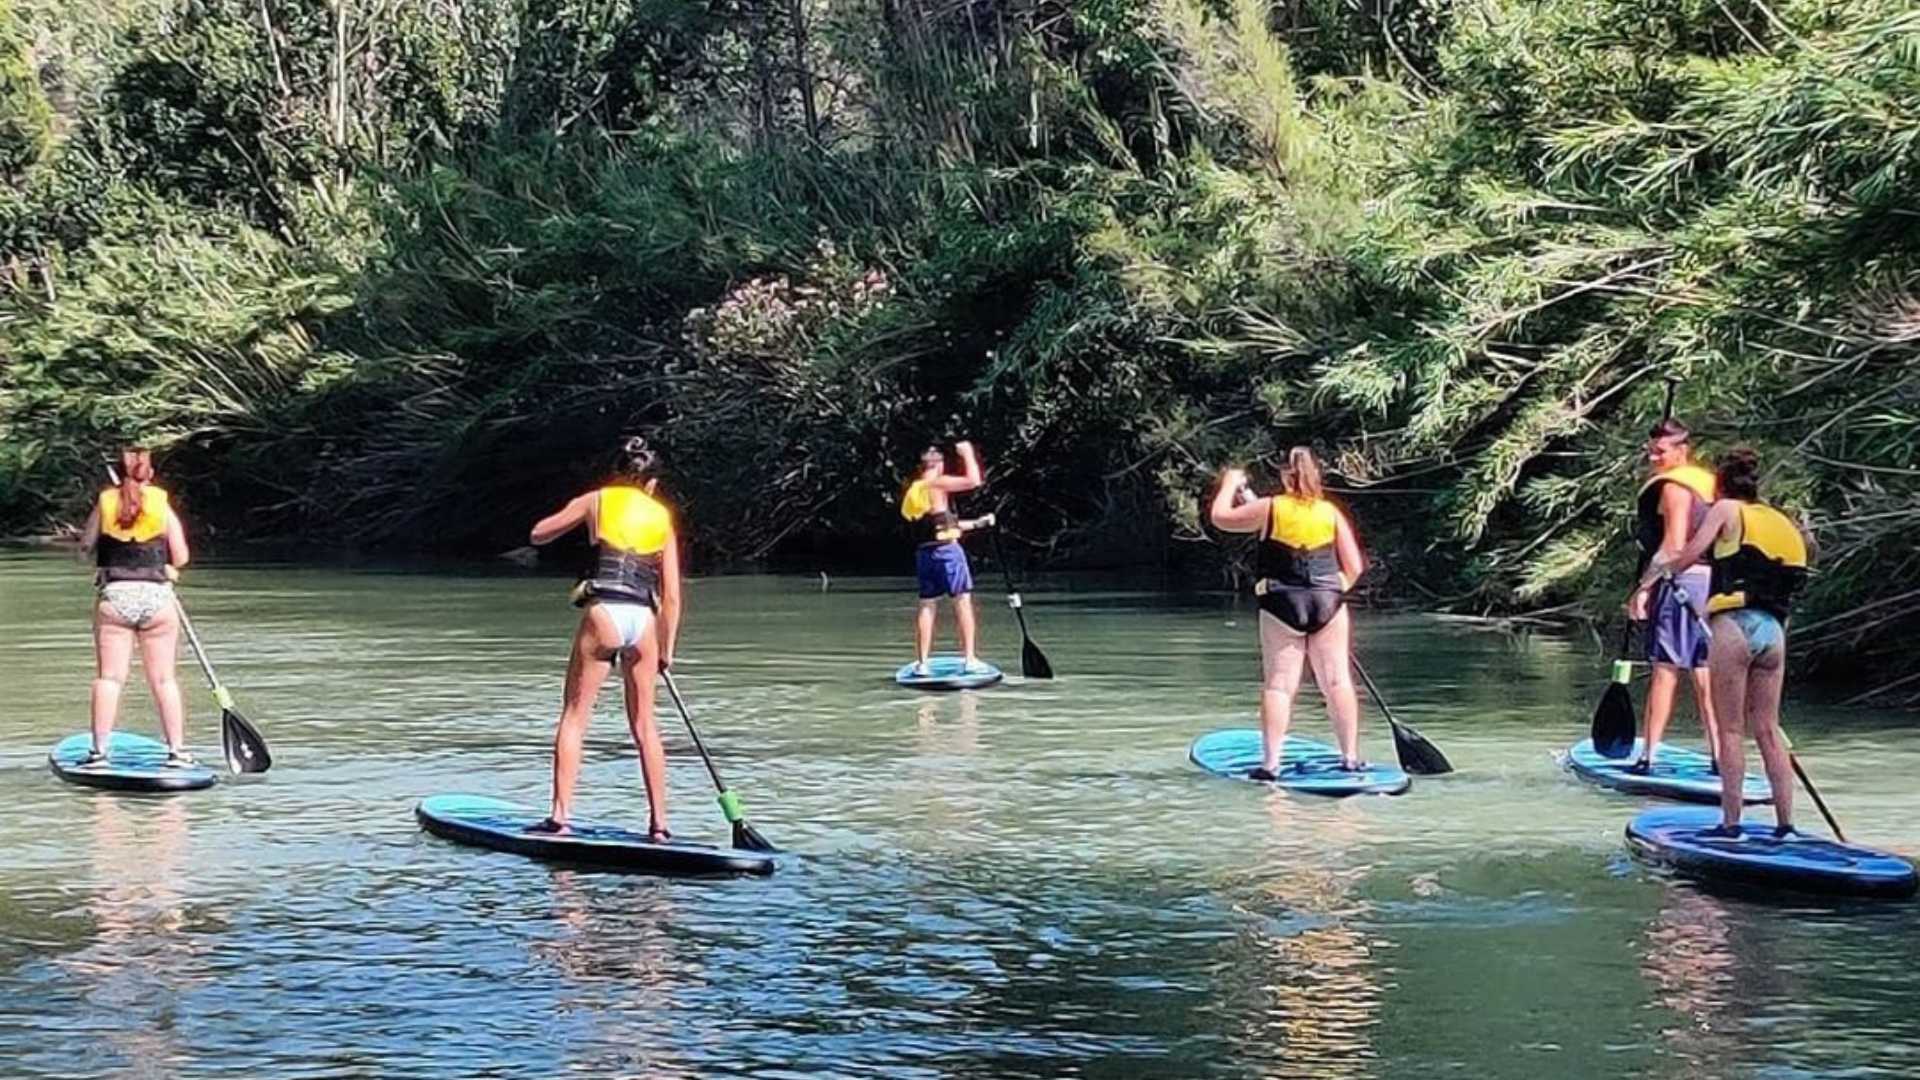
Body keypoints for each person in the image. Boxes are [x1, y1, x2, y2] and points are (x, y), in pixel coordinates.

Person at [1633, 448, 1810, 837]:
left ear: (1721, 485)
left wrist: (1654, 578)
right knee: (1767, 728)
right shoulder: (1782, 521)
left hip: (1734, 627)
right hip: (1774, 632)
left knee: (1730, 730)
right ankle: (1786, 824)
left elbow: (1685, 555)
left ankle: (1731, 824)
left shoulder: (1726, 509)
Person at [526, 436, 681, 840]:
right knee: (646, 724)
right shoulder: (662, 518)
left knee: (575, 715)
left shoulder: (597, 499)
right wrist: (666, 651)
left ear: (618, 474)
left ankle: (559, 818)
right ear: (650, 483)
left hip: (605, 613)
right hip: (644, 621)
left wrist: (574, 523)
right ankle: (660, 825)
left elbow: (539, 534)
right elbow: (672, 596)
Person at [1208, 447, 1368, 778]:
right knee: (1338, 680)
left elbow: (1220, 518)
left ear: (1285, 475)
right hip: (1328, 601)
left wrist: (1229, 483)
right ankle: (1350, 757)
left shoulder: (1269, 508)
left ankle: (1270, 765)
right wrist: (1329, 589)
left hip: (1282, 602)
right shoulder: (1330, 512)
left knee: (1280, 685)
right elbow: (1354, 568)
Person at [77, 446, 193, 767]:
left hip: (116, 598)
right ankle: (177, 752)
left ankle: (99, 752)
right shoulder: (161, 503)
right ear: (150, 474)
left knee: (110, 679)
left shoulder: (105, 503)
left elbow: (85, 548)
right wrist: (168, 567)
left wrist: (97, 555)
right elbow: (181, 557)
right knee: (164, 679)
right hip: (158, 598)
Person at [1625, 419, 1721, 775]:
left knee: (1665, 670)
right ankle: (1719, 757)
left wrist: (1642, 589)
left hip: (1681, 584)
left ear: (1683, 451)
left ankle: (1648, 757)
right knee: (1704, 670)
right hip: (1714, 584)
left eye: (1660, 452)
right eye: (1650, 450)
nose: (1653, 458)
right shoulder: (1711, 485)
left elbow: (1672, 547)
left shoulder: (1675, 489)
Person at [900, 441, 995, 675]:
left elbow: (941, 524)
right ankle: (970, 659)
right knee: (962, 602)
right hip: (948, 553)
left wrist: (979, 523)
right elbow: (974, 481)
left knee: (927, 605)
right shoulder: (937, 482)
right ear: (938, 465)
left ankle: (922, 663)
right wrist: (968, 453)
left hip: (925, 554)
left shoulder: (915, 489)